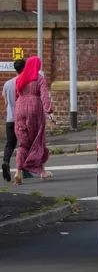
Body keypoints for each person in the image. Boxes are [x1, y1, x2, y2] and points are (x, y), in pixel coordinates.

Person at [13, 56, 53, 184]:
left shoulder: (20, 78)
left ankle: (18, 172)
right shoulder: (39, 79)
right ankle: (42, 171)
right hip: (34, 109)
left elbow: (16, 95)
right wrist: (49, 110)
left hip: (19, 108)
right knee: (38, 140)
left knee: (23, 143)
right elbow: (45, 96)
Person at [2, 58, 26, 182]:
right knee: (24, 144)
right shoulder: (26, 82)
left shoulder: (7, 84)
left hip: (10, 118)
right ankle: (23, 170)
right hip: (22, 118)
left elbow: (6, 103)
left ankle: (6, 161)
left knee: (10, 144)